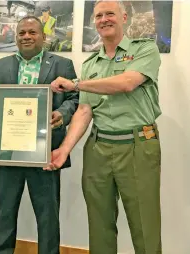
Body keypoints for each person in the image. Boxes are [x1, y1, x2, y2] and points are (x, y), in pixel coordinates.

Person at [46, 1, 162, 253]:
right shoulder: (90, 65)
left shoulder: (145, 49)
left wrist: (76, 84)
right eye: (98, 15)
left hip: (137, 146)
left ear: (124, 16)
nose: (104, 19)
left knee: (145, 224)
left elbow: (126, 83)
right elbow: (84, 111)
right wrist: (64, 149)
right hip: (98, 147)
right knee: (99, 223)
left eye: (110, 13)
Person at [0, 16, 79, 254]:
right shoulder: (0, 65)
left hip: (45, 153)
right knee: (4, 210)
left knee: (47, 213)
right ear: (15, 37)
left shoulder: (62, 65)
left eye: (32, 32)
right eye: (22, 32)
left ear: (43, 37)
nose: (26, 36)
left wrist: (61, 114)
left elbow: (75, 99)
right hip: (8, 151)